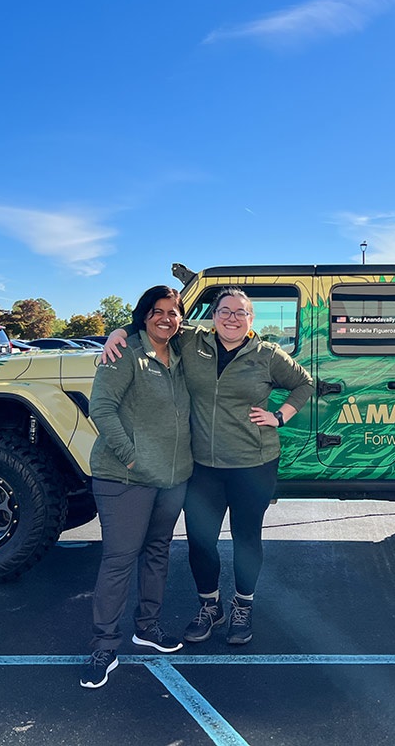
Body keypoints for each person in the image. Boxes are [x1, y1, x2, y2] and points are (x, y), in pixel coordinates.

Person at [104, 286, 313, 645]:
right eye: (225, 311)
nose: (232, 318)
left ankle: (243, 607)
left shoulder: (267, 354)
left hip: (253, 463)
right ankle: (210, 607)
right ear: (213, 316)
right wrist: (118, 331)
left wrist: (279, 416)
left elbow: (305, 383)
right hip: (203, 465)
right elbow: (155, 322)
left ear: (251, 319)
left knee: (247, 538)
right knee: (201, 541)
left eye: (241, 312)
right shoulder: (192, 342)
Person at [79, 286, 192, 689]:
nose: (166, 318)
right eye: (157, 312)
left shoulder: (182, 354)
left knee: (158, 552)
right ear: (143, 316)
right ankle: (105, 646)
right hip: (124, 477)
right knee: (119, 559)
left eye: (173, 312)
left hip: (172, 477)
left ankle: (148, 627)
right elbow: (101, 407)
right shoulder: (124, 353)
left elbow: (225, 330)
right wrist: (129, 455)